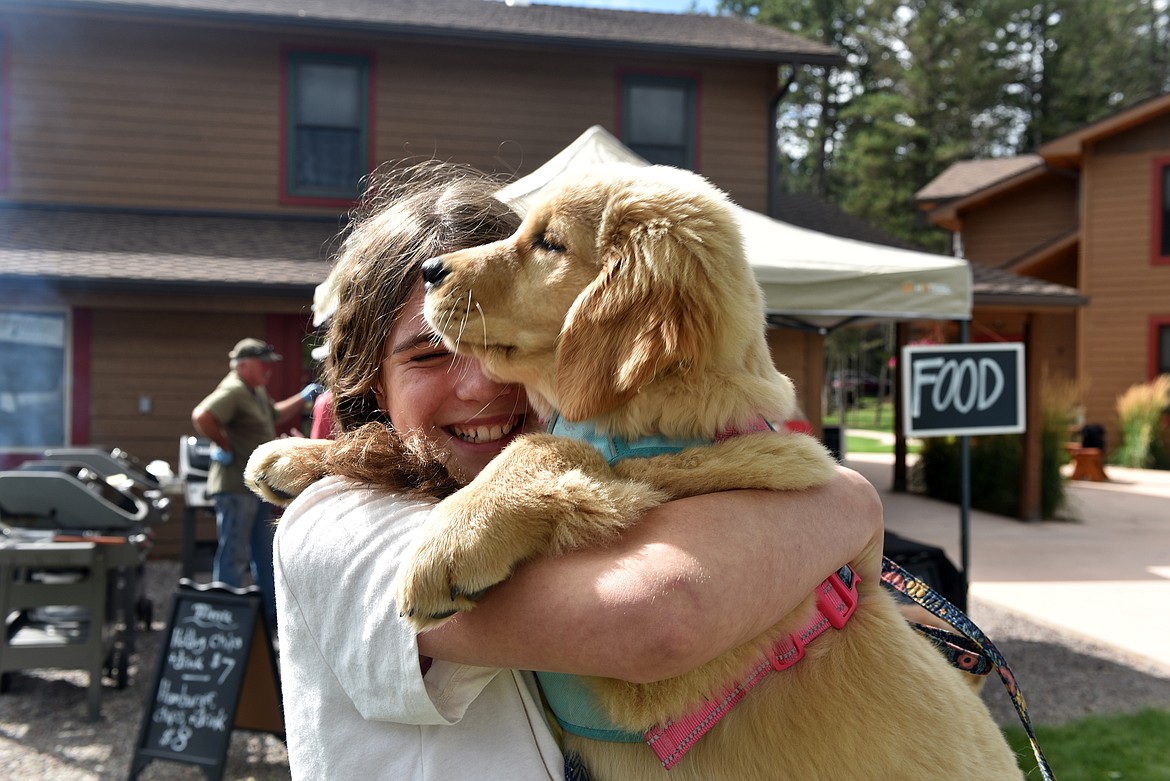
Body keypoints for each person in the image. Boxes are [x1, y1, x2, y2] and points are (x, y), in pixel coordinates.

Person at [271, 161, 884, 780]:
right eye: (430, 354)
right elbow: (657, 620)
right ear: (370, 383)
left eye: (508, 346)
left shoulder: (586, 461)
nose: (486, 382)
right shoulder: (337, 525)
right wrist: (848, 505)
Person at [191, 338, 323, 627]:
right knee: (234, 554)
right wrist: (224, 446)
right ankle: (225, 619)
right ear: (243, 365)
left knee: (263, 552)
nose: (268, 370)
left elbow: (274, 414)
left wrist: (303, 397)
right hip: (235, 488)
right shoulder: (234, 389)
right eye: (262, 364)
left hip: (253, 488)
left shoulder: (254, 391)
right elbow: (202, 415)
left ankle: (268, 620)